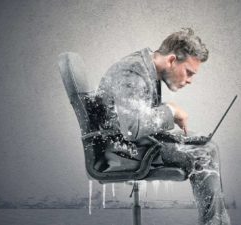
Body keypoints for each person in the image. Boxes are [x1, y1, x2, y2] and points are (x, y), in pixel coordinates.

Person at [97, 28, 231, 225]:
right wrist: (170, 110)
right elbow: (131, 128)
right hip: (122, 150)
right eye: (188, 72)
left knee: (208, 146)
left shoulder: (146, 68)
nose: (190, 80)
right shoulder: (131, 71)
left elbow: (137, 119)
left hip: (136, 144)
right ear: (171, 60)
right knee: (203, 154)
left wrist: (172, 118)